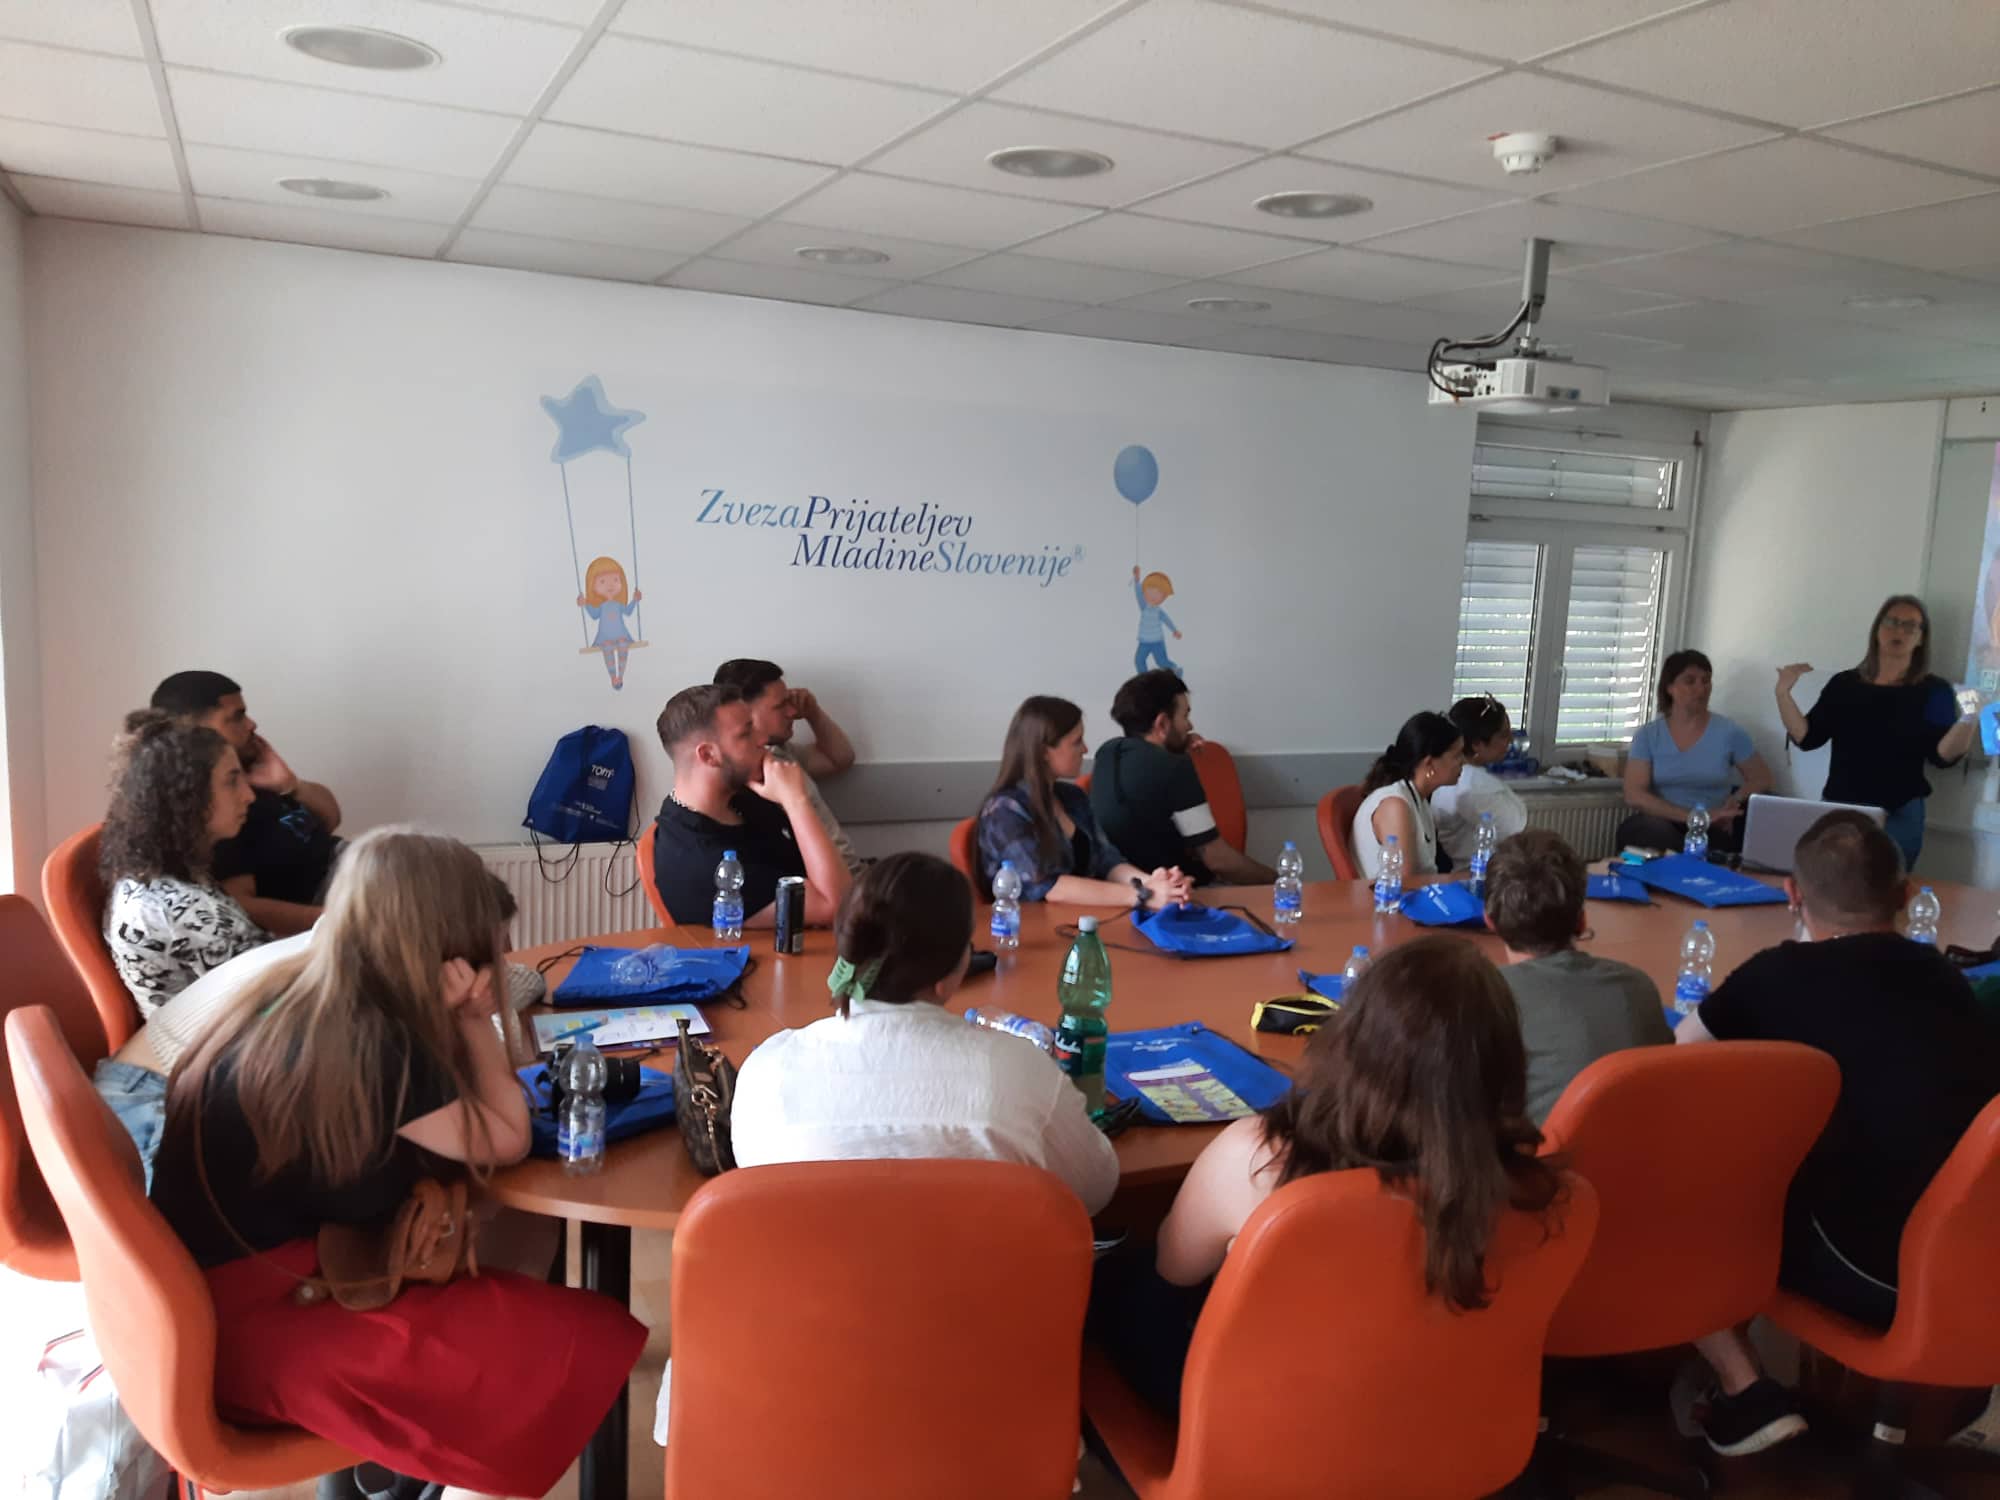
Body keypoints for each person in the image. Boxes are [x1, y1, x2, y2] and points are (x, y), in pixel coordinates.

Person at [149, 829, 645, 1500]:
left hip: (208, 1307)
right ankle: (439, 1466)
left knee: (517, 1236)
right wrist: (475, 1020)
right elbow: (507, 1136)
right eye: (493, 952)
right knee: (580, 1343)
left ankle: (417, 1465)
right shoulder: (376, 1050)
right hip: (264, 1327)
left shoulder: (303, 994)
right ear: (447, 957)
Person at [654, 851, 1119, 1445]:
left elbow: (758, 1187)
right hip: (975, 1409)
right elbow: (1095, 1188)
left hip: (778, 1403)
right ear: (952, 972)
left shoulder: (772, 1070)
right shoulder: (1018, 1072)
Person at [1093, 937, 1569, 1414]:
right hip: (1442, 1415)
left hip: (1263, 1423)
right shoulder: (1538, 1192)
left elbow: (1172, 1272)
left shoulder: (1259, 1158)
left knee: (1113, 1281)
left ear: (1351, 1040)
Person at [1675, 811, 2000, 1455]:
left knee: (1685, 1198)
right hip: (1977, 1262)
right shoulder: (1946, 977)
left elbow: (1681, 1059)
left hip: (1880, 1276)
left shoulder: (1780, 974)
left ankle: (1745, 1390)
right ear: (1905, 896)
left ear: (1792, 894)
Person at [1484, 829, 1671, 1125]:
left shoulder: (1484, 999)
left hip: (1538, 1153)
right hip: (1637, 1149)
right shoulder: (1639, 988)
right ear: (1582, 920)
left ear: (1489, 921)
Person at [1775, 596, 1976, 869]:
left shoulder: (1934, 690)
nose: (1899, 631)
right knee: (1832, 883)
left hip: (1900, 813)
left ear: (1921, 638)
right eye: (1892, 622)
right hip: (1842, 809)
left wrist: (1970, 716)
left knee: (1889, 887)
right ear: (1877, 629)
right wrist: (1783, 693)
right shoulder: (1845, 684)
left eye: (1910, 626)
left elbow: (1942, 756)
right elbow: (1807, 737)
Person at [100, 711, 267, 1018]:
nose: (249, 795)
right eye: (232, 781)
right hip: (224, 1041)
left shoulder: (159, 870)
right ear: (187, 797)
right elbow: (273, 1007)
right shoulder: (183, 912)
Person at [151, 670, 343, 936]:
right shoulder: (214, 807)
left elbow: (331, 819)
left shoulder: (250, 769)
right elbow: (242, 906)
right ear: (193, 730)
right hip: (330, 900)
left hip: (347, 866)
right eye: (237, 717)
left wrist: (291, 785)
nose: (252, 724)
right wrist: (340, 920)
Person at [650, 682, 852, 928]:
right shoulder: (704, 862)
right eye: (746, 734)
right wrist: (796, 801)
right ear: (708, 755)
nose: (764, 739)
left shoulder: (739, 795)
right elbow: (839, 906)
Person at [976, 696, 1190, 908]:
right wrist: (1144, 895)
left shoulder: (1073, 797)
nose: (1085, 749)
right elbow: (1049, 887)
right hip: (1032, 925)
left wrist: (1153, 883)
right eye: (1076, 741)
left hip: (1081, 918)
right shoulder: (1004, 811)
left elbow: (1107, 860)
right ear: (1043, 752)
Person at [1089, 671, 1275, 887]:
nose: (1190, 726)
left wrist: (1177, 745)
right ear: (1162, 723)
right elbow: (1217, 859)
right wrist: (1280, 881)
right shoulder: (1174, 768)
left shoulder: (1107, 753)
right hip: (1176, 889)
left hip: (1117, 889)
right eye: (1185, 716)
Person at [713, 657, 862, 874]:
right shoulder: (753, 772)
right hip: (833, 882)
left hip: (851, 874)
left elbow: (839, 759)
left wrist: (813, 712)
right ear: (743, 712)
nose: (792, 712)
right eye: (780, 705)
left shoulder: (779, 751)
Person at [1619, 650, 1772, 854]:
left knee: (1708, 844)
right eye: (1690, 681)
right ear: (1670, 688)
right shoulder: (1648, 735)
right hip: (1662, 821)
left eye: (1706, 681)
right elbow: (1634, 794)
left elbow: (1762, 778)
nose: (1700, 689)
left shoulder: (1729, 732)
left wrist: (1734, 801)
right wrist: (1692, 817)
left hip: (1712, 825)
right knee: (1644, 832)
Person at [1350, 712, 1464, 881]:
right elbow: (1405, 883)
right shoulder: (1395, 806)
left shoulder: (1418, 799)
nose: (1463, 762)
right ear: (1430, 763)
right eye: (1457, 755)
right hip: (1389, 897)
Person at [1433, 694, 1529, 866]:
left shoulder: (1459, 775)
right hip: (1476, 871)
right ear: (1477, 744)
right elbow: (1514, 832)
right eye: (1503, 735)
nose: (1510, 740)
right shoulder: (1472, 785)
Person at [577, 554, 642, 690]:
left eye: (615, 579)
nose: (610, 585)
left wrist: (635, 600)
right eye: (602, 581)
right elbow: (594, 615)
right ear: (593, 587)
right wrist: (585, 604)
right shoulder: (601, 607)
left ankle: (621, 676)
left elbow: (628, 611)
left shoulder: (618, 605)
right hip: (605, 638)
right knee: (607, 647)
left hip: (621, 635)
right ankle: (613, 677)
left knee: (623, 644)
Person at [1131, 565, 1182, 674]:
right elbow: (1138, 593)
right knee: (1139, 661)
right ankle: (1144, 678)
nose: (1153, 596)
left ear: (1164, 597)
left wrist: (1174, 630)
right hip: (1144, 642)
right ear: (1145, 592)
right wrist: (1137, 579)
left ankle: (1175, 670)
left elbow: (1167, 620)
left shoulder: (1159, 611)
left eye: (1158, 593)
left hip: (1157, 641)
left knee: (1161, 661)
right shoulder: (1144, 606)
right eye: (1150, 591)